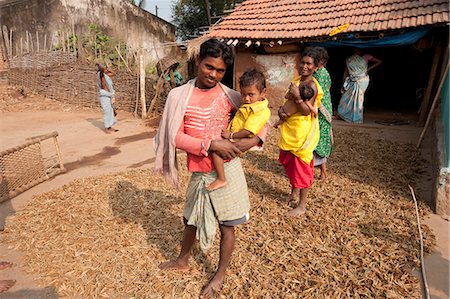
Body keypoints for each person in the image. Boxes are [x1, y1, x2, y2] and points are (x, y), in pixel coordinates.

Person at [153, 39, 267, 298]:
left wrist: (246, 142)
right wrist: (210, 143)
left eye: (220, 71)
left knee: (228, 226)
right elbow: (175, 136)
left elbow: (261, 121)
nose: (213, 75)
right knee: (191, 219)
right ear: (197, 62)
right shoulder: (179, 96)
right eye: (209, 67)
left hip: (228, 171)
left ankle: (219, 275)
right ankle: (183, 260)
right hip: (200, 171)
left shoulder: (231, 96)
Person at [277, 47, 323, 217]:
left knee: (302, 167)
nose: (304, 66)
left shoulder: (312, 85)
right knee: (290, 163)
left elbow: (305, 111)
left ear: (315, 67)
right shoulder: (297, 80)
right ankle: (293, 193)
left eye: (308, 64)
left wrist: (297, 97)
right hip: (291, 129)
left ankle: (302, 205)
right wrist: (282, 111)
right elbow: (288, 100)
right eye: (302, 62)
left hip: (302, 133)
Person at [207, 68, 271, 191]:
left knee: (216, 151)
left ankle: (221, 178)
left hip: (240, 139)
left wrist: (231, 135)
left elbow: (249, 131)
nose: (246, 99)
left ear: (263, 93)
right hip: (236, 137)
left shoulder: (259, 110)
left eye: (251, 95)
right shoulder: (251, 105)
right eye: (243, 94)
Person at [337, 48, 382, 123]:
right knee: (345, 98)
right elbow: (346, 71)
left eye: (358, 49)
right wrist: (343, 83)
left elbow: (379, 61)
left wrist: (369, 69)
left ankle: (357, 118)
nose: (357, 51)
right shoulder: (350, 59)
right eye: (355, 50)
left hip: (362, 80)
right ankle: (342, 115)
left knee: (358, 99)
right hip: (352, 80)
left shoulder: (367, 56)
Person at [313, 47, 334, 181]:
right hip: (326, 108)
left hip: (320, 111)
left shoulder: (318, 75)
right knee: (322, 140)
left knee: (317, 141)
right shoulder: (325, 73)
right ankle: (323, 173)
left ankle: (322, 173)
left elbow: (316, 94)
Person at [96, 63, 118, 133]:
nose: (105, 69)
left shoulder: (106, 75)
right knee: (106, 111)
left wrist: (108, 69)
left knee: (110, 111)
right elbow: (102, 70)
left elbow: (114, 74)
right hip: (104, 95)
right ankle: (106, 127)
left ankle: (109, 126)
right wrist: (100, 65)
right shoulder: (100, 75)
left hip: (109, 95)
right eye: (104, 68)